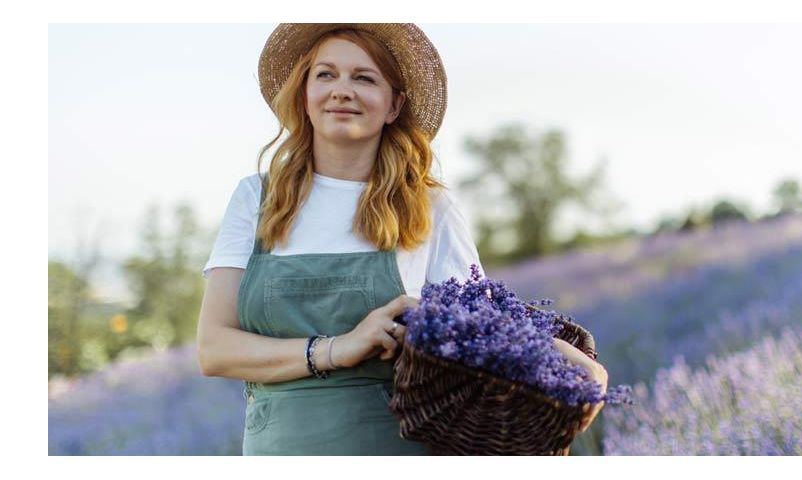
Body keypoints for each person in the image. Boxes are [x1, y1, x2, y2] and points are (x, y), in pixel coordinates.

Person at [196, 23, 607, 456]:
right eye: (325, 74)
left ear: (394, 105)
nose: (342, 90)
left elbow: (486, 334)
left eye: (364, 78)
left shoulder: (429, 207)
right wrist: (338, 348)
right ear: (303, 94)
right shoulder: (256, 199)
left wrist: (572, 363)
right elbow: (215, 349)